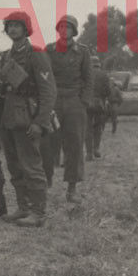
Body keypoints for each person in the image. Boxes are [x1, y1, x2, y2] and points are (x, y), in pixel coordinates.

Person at [0, 11, 56, 227]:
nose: (12, 29)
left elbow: (48, 92)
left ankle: (38, 212)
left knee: (31, 165)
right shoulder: (6, 56)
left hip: (27, 118)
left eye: (17, 26)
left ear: (25, 29)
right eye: (9, 26)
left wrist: (40, 123)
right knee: (14, 166)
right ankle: (23, 207)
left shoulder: (36, 55)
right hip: (8, 117)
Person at [43, 15, 91, 203]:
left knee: (75, 145)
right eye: (61, 27)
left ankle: (72, 188)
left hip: (74, 102)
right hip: (53, 101)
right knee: (47, 143)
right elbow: (44, 76)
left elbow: (89, 79)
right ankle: (46, 182)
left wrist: (83, 102)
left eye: (68, 27)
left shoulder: (83, 52)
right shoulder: (49, 50)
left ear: (74, 31)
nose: (64, 30)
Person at [84, 56, 110, 160]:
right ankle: (96, 149)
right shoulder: (104, 75)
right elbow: (108, 91)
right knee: (98, 127)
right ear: (99, 64)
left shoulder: (85, 74)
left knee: (88, 128)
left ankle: (89, 153)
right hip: (99, 104)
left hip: (86, 103)